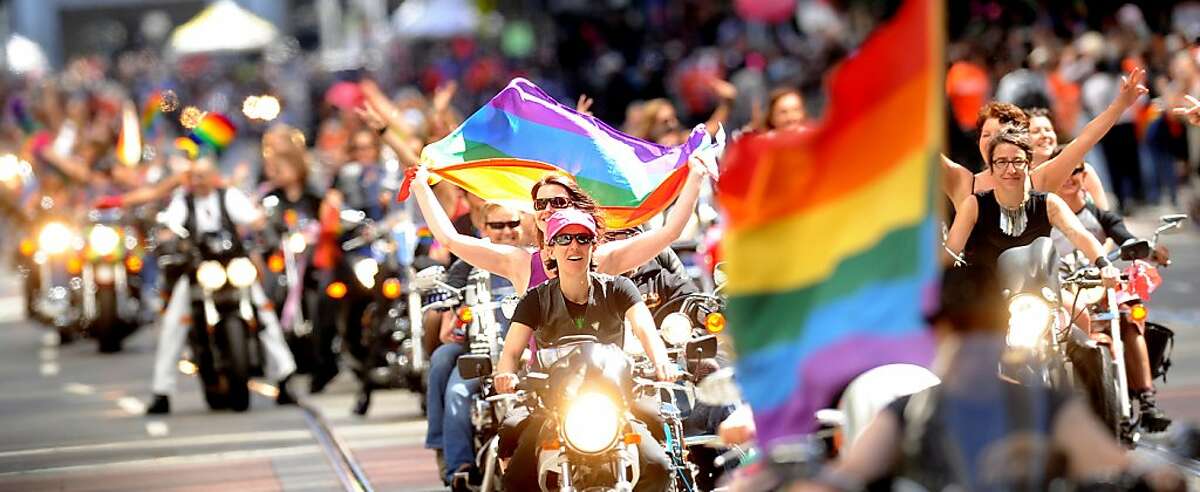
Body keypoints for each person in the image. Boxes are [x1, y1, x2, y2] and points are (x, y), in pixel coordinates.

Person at [791, 268, 1185, 492]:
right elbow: (848, 473)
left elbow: (1110, 461)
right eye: (962, 332)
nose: (975, 349)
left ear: (1003, 337)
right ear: (940, 335)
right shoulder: (908, 414)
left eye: (987, 332)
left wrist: (1154, 473)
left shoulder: (1048, 406)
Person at [494, 209, 678, 492]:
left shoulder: (619, 288)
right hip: (553, 405)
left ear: (594, 246)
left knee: (660, 466)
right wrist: (505, 375)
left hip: (615, 401)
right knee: (516, 473)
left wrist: (661, 362)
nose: (574, 246)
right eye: (564, 238)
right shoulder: (535, 299)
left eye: (583, 238)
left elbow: (645, 329)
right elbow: (511, 351)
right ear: (550, 249)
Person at [409, 157, 708, 295]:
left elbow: (669, 232)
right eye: (541, 204)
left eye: (559, 203)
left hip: (606, 386)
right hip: (544, 393)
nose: (549, 210)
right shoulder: (521, 263)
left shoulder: (602, 258)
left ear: (578, 208)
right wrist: (421, 186)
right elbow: (449, 239)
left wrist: (695, 175)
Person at [145, 156, 298, 414]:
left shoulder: (229, 196)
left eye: (203, 175)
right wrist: (169, 238)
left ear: (214, 176)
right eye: (194, 176)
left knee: (264, 312)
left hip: (234, 266)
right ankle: (162, 392)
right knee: (174, 323)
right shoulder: (184, 201)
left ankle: (285, 376)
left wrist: (265, 225)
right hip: (199, 269)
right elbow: (170, 225)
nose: (198, 181)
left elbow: (252, 218)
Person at [1051, 163, 1172, 431]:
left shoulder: (1100, 216)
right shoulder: (1045, 214)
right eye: (1062, 172)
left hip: (1102, 290)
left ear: (1084, 177)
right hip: (1065, 295)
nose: (1069, 178)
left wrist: (1151, 252)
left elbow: (1126, 238)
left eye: (1075, 171)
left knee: (1132, 316)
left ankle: (1147, 399)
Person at [941, 68, 1147, 212]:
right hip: (974, 275)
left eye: (999, 135)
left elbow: (1085, 139)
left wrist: (1120, 105)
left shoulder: (1038, 181)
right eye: (986, 135)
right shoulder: (962, 182)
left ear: (1017, 141)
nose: (992, 142)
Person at [943, 128, 1121, 288]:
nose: (1010, 169)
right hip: (987, 298)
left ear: (1029, 165)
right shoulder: (973, 205)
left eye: (1017, 161)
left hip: (1039, 296)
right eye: (1002, 162)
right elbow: (950, 252)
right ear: (991, 168)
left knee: (1079, 317)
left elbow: (1079, 234)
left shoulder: (1049, 203)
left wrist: (1104, 265)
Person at [425, 202, 522, 486]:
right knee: (456, 390)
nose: (506, 232)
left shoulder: (532, 259)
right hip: (478, 352)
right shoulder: (468, 264)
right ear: (483, 228)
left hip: (525, 353)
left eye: (513, 224)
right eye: (498, 226)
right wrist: (458, 323)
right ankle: (459, 468)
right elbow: (446, 327)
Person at [1026, 107, 1110, 210]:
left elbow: (1106, 217)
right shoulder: (1023, 179)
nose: (1044, 135)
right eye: (1036, 131)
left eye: (1048, 130)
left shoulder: (1083, 171)